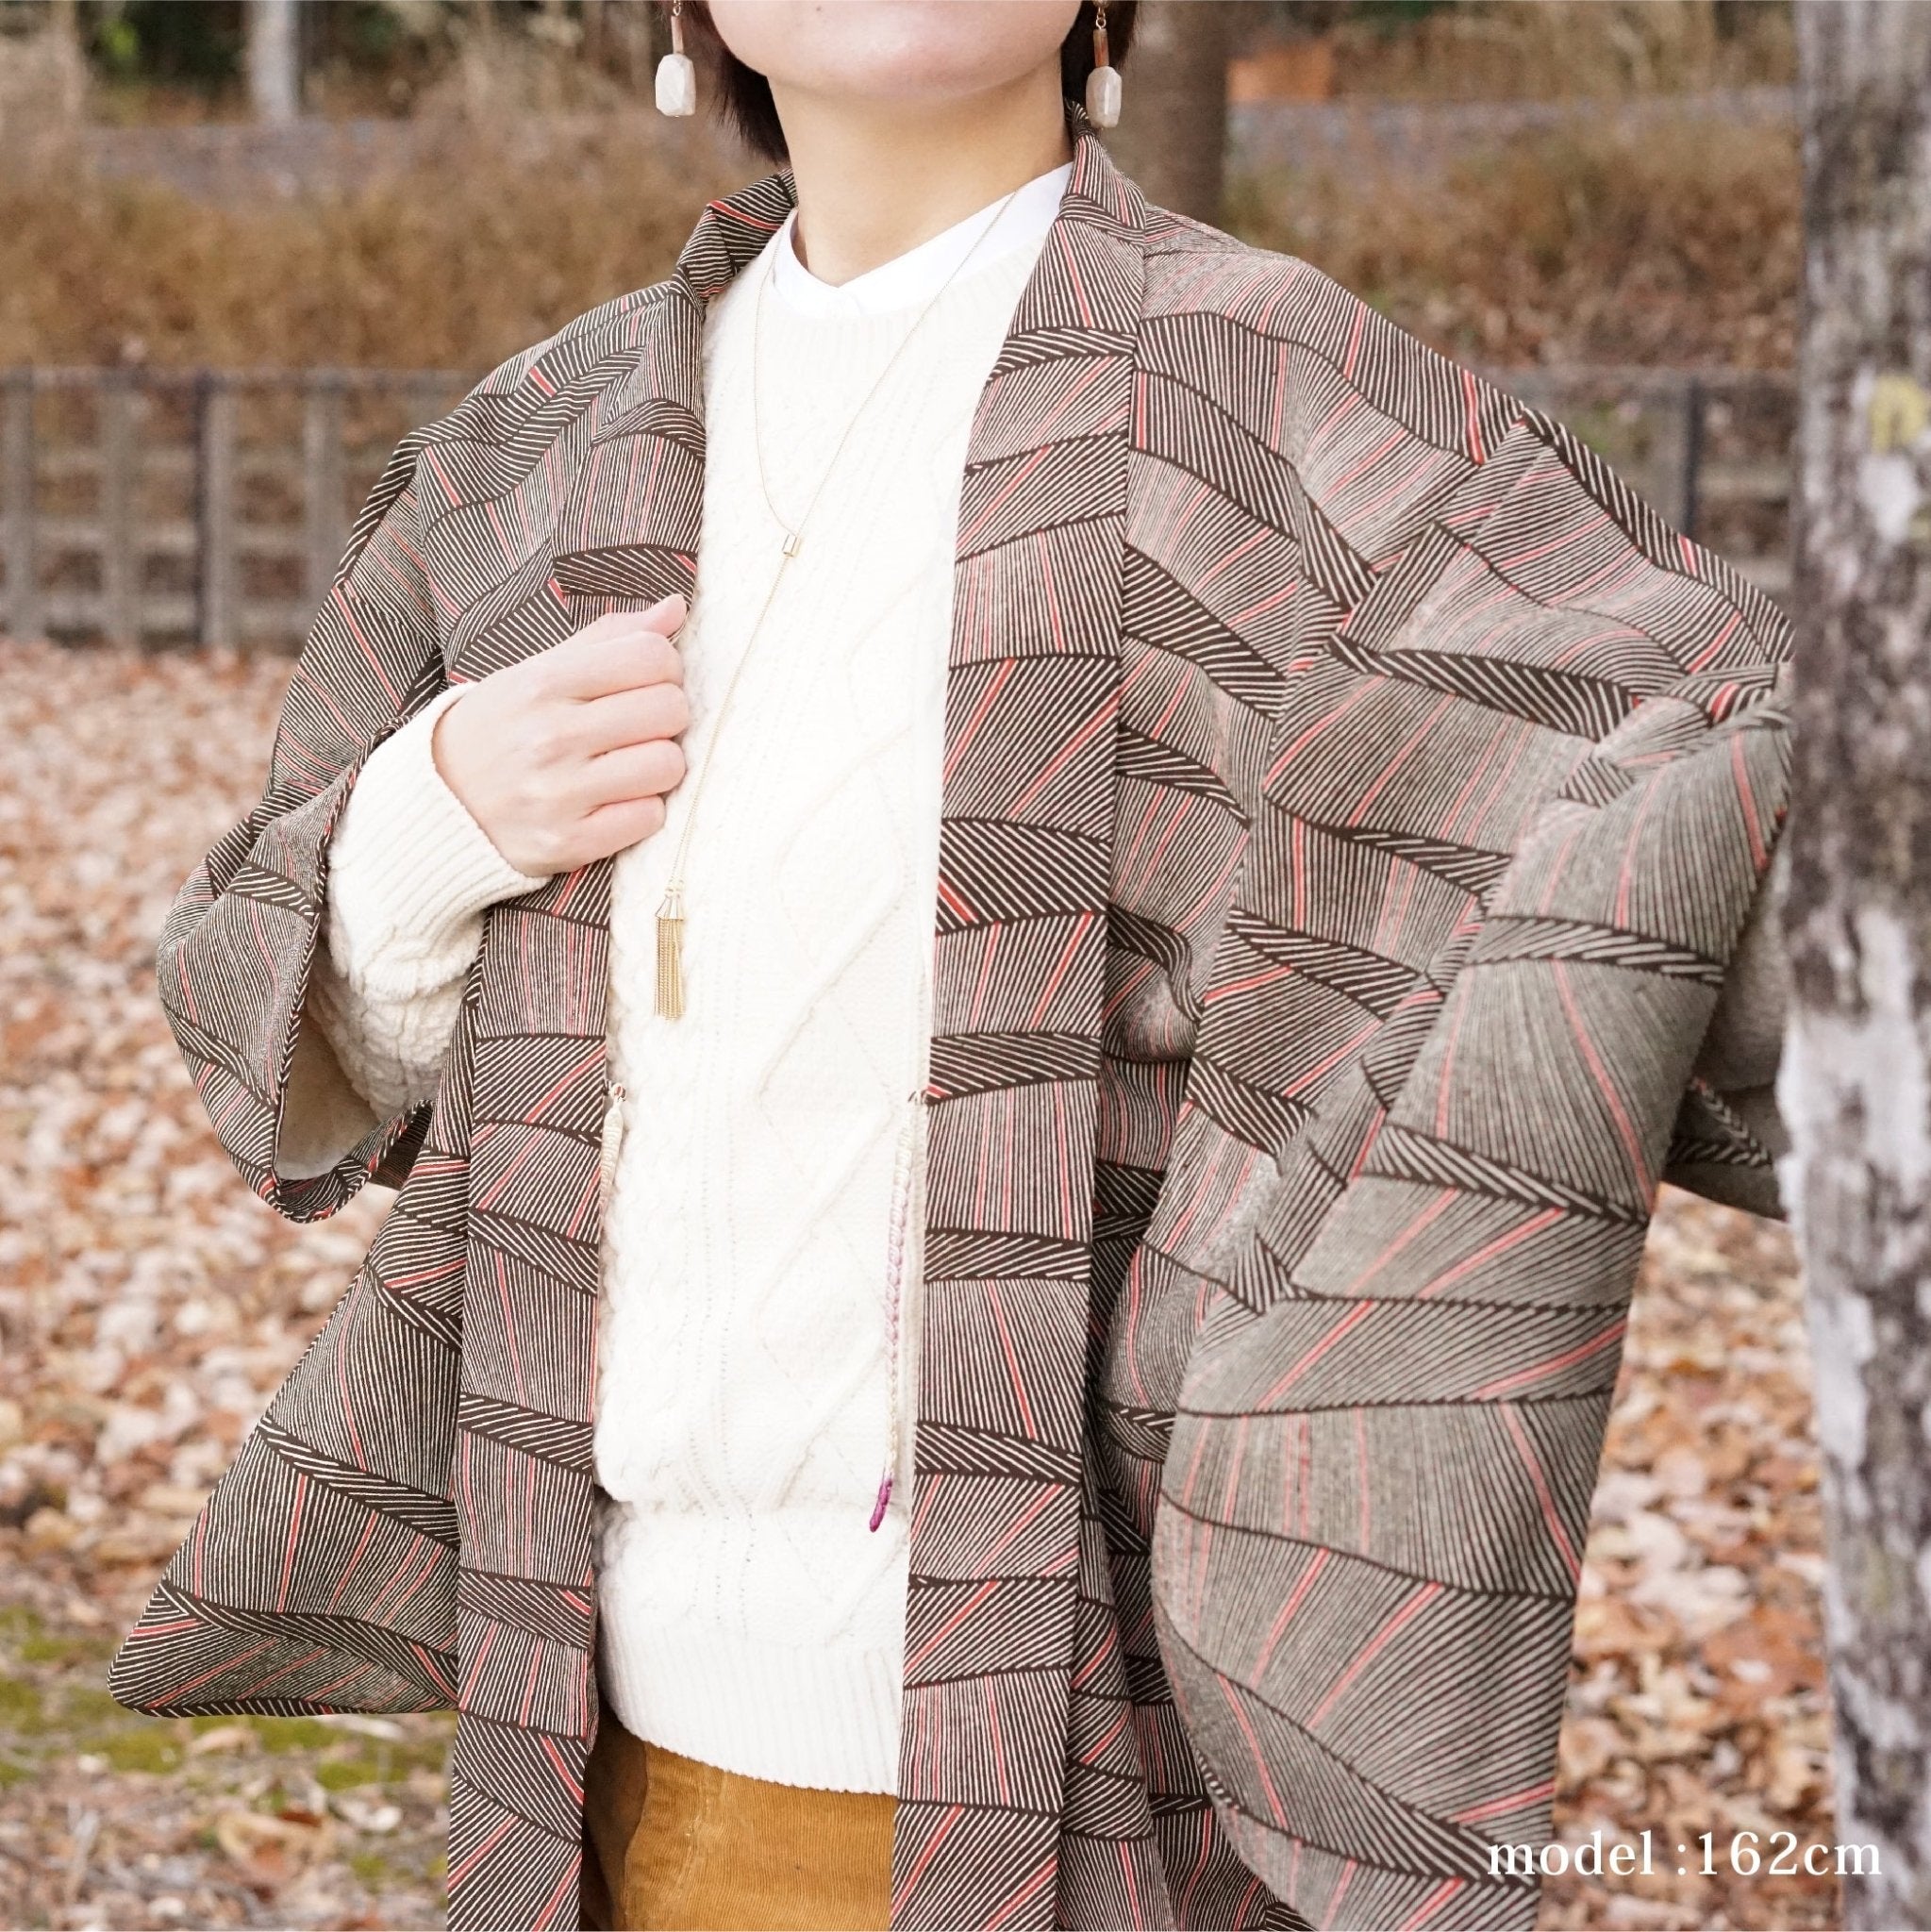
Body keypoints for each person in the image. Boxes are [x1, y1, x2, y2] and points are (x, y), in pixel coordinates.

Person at [110, 6, 1792, 1929]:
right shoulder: (536, 455)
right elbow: (263, 1002)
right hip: (578, 1764)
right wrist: (424, 826)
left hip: (1053, 1782)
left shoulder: (1288, 407)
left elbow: (1702, 804)